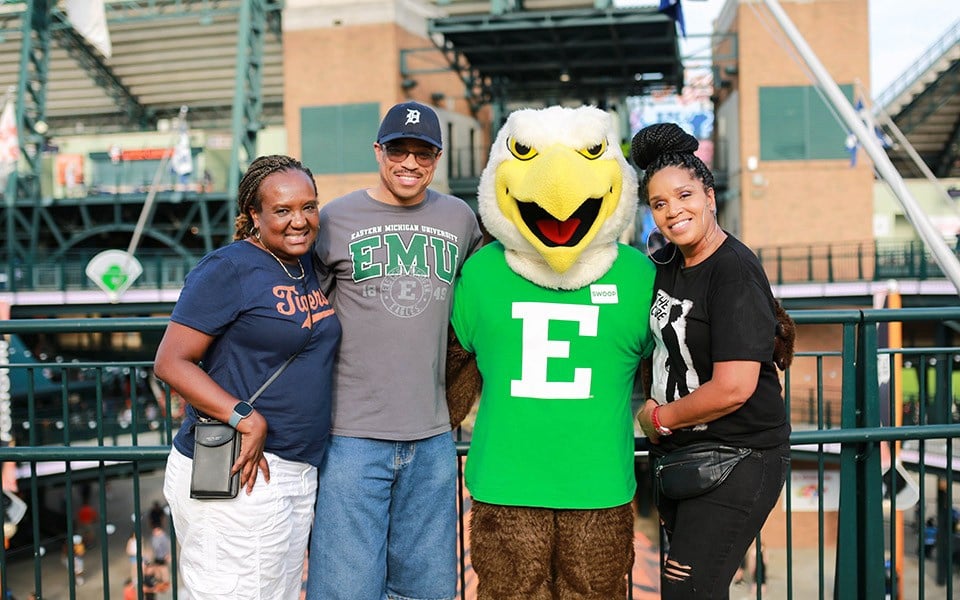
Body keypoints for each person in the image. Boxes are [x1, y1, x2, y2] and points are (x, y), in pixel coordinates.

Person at [306, 101, 482, 600]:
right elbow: (302, 314)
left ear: (438, 157)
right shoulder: (335, 218)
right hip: (351, 436)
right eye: (398, 151)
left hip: (431, 436)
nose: (410, 163)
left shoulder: (459, 218)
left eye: (423, 153)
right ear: (378, 151)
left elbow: (479, 300)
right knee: (345, 590)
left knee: (427, 590)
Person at [155, 154, 342, 598]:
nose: (299, 221)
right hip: (242, 468)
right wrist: (245, 416)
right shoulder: (229, 268)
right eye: (282, 210)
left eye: (309, 206)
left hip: (297, 470)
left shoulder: (307, 266)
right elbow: (170, 361)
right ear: (254, 216)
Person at [631, 122, 792, 599]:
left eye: (684, 195)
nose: (673, 211)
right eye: (659, 204)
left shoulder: (734, 271)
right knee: (685, 591)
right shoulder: (669, 266)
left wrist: (657, 417)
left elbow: (734, 387)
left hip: (738, 457)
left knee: (690, 591)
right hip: (684, 459)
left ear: (709, 195)